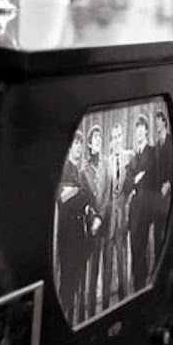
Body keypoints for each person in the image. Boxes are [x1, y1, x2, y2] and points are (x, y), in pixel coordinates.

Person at [56, 131, 91, 326]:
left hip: (78, 234)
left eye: (80, 143)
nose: (78, 146)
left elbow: (85, 197)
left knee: (74, 281)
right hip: (67, 234)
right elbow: (63, 199)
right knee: (67, 283)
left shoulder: (77, 171)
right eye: (75, 143)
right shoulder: (65, 169)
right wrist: (80, 192)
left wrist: (78, 192)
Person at [102, 122, 135, 306]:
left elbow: (134, 183)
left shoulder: (129, 157)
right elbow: (103, 192)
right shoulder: (105, 161)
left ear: (122, 137)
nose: (116, 140)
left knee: (122, 262)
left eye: (119, 136)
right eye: (113, 137)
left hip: (122, 218)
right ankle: (105, 306)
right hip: (108, 221)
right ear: (111, 141)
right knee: (107, 266)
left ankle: (124, 301)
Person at [124, 114, 155, 292]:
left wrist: (135, 177)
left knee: (141, 249)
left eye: (141, 129)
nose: (138, 133)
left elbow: (148, 172)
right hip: (134, 209)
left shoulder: (150, 152)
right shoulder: (135, 157)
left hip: (144, 210)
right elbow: (128, 184)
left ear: (146, 131)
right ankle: (137, 287)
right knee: (135, 249)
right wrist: (136, 177)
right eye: (136, 130)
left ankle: (141, 287)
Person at [81, 124, 105, 318]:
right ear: (89, 144)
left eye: (100, 138)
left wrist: (101, 218)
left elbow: (108, 197)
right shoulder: (84, 171)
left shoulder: (106, 165)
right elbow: (85, 203)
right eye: (95, 138)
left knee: (98, 271)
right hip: (89, 229)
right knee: (86, 275)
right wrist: (93, 220)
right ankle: (86, 314)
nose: (98, 140)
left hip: (105, 226)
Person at [152, 110, 173, 262]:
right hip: (157, 192)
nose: (156, 124)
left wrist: (169, 183)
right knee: (157, 231)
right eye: (155, 121)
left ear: (164, 121)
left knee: (166, 227)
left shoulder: (170, 141)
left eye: (158, 120)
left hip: (168, 191)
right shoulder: (157, 144)